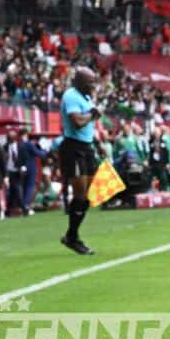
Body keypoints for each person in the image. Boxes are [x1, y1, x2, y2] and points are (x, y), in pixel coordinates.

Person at [59, 67, 101, 253]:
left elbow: (88, 127)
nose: (93, 85)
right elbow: (77, 123)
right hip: (73, 148)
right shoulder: (71, 96)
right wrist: (92, 114)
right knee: (80, 194)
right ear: (79, 82)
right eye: (90, 82)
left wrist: (97, 143)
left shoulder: (86, 97)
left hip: (87, 147)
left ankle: (71, 235)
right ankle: (72, 237)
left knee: (89, 195)